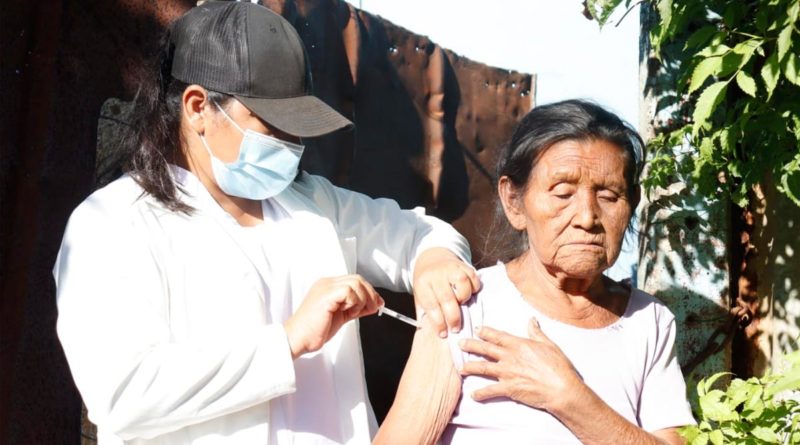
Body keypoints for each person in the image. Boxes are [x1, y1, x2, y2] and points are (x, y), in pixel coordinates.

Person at [53, 2, 479, 444]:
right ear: (198, 107)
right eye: (271, 127)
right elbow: (123, 395)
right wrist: (288, 341)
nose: (291, 146)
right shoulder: (112, 224)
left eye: (297, 130)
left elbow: (417, 234)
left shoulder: (310, 202)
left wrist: (434, 260)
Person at [375, 100, 696, 444]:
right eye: (562, 193)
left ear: (632, 203)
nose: (587, 217)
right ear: (514, 202)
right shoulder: (466, 308)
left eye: (608, 194)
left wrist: (568, 396)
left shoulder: (648, 322)